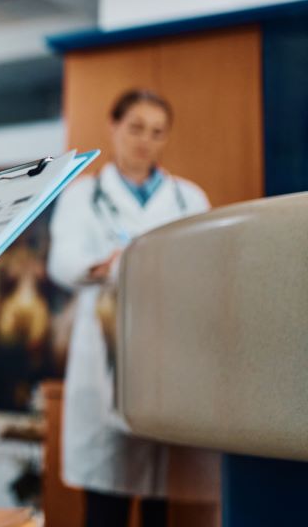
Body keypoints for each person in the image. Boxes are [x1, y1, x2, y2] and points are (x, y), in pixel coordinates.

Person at [48, 89, 210, 527]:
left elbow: (207, 268)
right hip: (105, 343)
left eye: (157, 132)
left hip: (169, 351)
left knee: (163, 498)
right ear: (114, 126)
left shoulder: (188, 199)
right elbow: (62, 264)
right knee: (107, 501)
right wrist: (108, 265)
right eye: (136, 127)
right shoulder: (83, 195)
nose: (145, 140)